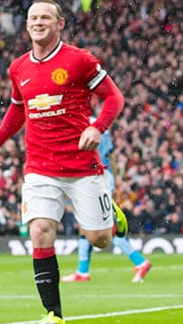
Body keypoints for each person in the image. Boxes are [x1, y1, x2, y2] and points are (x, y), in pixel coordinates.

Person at [0, 0, 125, 324]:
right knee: (40, 230)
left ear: (60, 23)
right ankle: (53, 314)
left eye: (46, 17)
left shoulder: (79, 61)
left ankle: (112, 215)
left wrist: (97, 127)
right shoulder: (19, 67)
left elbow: (114, 98)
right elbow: (18, 108)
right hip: (39, 166)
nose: (38, 22)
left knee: (100, 240)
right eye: (33, 17)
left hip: (81, 166)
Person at [63, 121, 152, 283]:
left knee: (109, 230)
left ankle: (140, 262)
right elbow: (109, 155)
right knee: (85, 229)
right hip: (99, 174)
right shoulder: (97, 122)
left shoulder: (81, 121)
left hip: (93, 175)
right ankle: (82, 271)